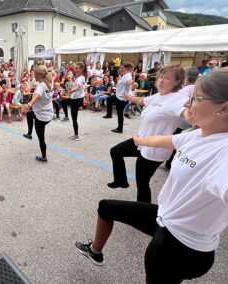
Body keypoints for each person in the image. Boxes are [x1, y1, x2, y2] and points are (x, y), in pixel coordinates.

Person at [76, 68, 228, 283]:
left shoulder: (224, 152)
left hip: (179, 248)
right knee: (106, 207)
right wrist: (139, 141)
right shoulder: (199, 135)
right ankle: (95, 250)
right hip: (166, 221)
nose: (187, 103)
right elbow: (165, 140)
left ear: (224, 108)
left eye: (195, 98)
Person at [108, 65, 187, 204]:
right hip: (141, 141)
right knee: (116, 151)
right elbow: (142, 101)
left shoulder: (178, 99)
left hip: (155, 149)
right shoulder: (160, 96)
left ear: (177, 82)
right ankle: (121, 181)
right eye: (161, 76)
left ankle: (142, 215)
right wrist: (128, 97)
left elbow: (189, 115)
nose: (161, 80)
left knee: (142, 183)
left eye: (167, 78)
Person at [165, 66, 199, 169]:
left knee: (173, 139)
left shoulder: (184, 91)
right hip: (187, 121)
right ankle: (169, 161)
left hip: (180, 120)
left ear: (187, 79)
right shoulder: (197, 88)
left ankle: (169, 161)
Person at [21, 65, 53, 162]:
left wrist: (28, 105)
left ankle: (44, 157)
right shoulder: (49, 83)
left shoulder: (41, 86)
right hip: (48, 113)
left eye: (34, 73)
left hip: (41, 117)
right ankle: (29, 133)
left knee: (41, 139)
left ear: (38, 75)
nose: (33, 75)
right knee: (30, 114)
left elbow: (37, 96)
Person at [103, 62, 134, 133]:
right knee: (109, 99)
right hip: (119, 96)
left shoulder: (128, 76)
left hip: (122, 98)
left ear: (127, 68)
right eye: (120, 68)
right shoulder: (125, 75)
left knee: (120, 113)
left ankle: (120, 129)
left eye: (122, 68)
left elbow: (129, 82)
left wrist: (133, 80)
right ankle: (109, 114)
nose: (121, 69)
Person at [61, 62, 87, 141]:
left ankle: (76, 135)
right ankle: (66, 117)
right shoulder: (81, 77)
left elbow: (78, 86)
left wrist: (73, 90)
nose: (75, 70)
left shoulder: (80, 78)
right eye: (75, 68)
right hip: (76, 99)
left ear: (82, 69)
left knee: (74, 118)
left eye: (77, 68)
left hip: (76, 100)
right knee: (63, 102)